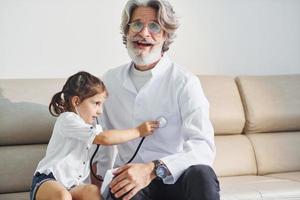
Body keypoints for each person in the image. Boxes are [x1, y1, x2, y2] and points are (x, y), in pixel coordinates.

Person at [95, 0, 221, 199]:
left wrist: (153, 169)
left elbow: (203, 147)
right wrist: (96, 184)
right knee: (121, 188)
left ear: (165, 36)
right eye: (136, 24)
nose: (144, 33)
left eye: (154, 26)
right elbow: (100, 141)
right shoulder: (109, 81)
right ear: (127, 31)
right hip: (130, 180)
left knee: (202, 174)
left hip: (175, 177)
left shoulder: (185, 82)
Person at [29, 71, 159, 200]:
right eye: (96, 103)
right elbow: (105, 138)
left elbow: (102, 157)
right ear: (76, 101)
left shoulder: (90, 128)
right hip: (49, 181)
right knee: (63, 196)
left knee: (92, 191)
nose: (100, 111)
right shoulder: (67, 119)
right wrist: (138, 131)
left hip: (73, 185)